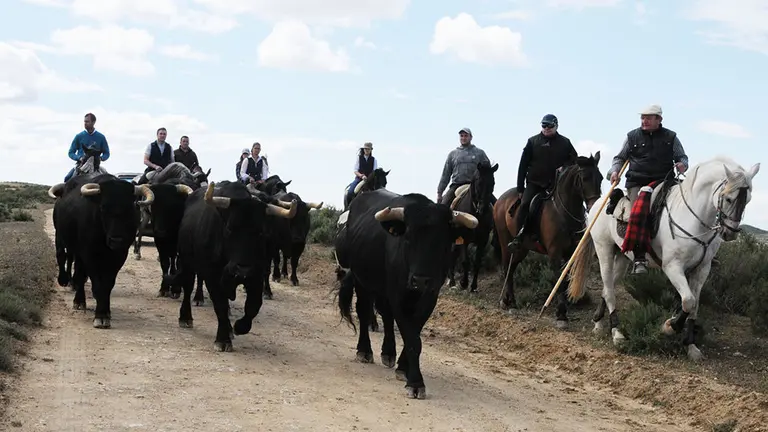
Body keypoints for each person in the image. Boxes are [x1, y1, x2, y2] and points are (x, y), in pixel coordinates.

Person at [606, 104, 689, 274]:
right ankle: (639, 257)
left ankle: (696, 250)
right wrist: (614, 171)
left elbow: (682, 157)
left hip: (665, 181)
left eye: (649, 118)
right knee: (640, 211)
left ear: (659, 119)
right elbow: (619, 157)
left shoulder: (671, 137)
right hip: (637, 182)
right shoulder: (632, 136)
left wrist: (682, 165)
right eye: (643, 117)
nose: (644, 121)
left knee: (686, 203)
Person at [509, 114, 577, 246]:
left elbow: (574, 159)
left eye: (550, 126)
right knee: (525, 204)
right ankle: (519, 236)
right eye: (544, 125)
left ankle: (576, 232)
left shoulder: (565, 142)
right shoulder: (532, 141)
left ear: (556, 126)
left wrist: (565, 166)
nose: (546, 128)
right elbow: (522, 165)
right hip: (535, 183)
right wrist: (520, 188)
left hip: (557, 184)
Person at [437, 128, 491, 206]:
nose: (463, 138)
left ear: (471, 137)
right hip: (457, 185)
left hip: (475, 185)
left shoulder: (480, 153)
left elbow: (487, 172)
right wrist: (440, 192)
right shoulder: (453, 154)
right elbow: (446, 174)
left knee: (496, 205)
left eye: (466, 136)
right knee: (443, 207)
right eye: (461, 136)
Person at [64, 112, 110, 182]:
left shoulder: (101, 137)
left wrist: (101, 158)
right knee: (67, 178)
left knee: (109, 181)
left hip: (96, 166)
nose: (85, 123)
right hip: (81, 165)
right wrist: (79, 158)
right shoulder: (79, 136)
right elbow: (71, 152)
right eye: (84, 121)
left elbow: (107, 153)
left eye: (87, 121)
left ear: (93, 122)